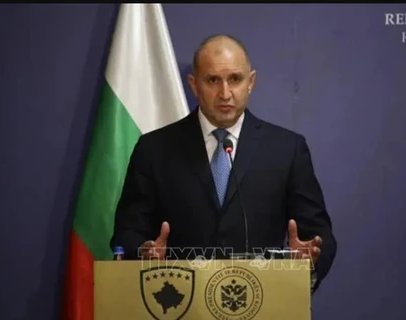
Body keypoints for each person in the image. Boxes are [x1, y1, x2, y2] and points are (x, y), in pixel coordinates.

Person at [110, 34, 337, 292]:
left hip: (261, 302)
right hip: (180, 302)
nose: (225, 93)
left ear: (251, 82)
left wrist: (308, 261)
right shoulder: (154, 149)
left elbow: (318, 234)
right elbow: (127, 232)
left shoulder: (287, 149)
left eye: (235, 79)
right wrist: (143, 252)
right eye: (213, 80)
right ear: (194, 85)